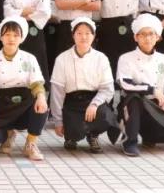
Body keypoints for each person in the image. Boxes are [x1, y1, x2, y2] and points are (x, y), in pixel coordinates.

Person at [0, 16, 48, 161]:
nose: (11, 38)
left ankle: (31, 143)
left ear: (22, 38)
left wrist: (41, 97)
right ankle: (8, 135)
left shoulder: (29, 58)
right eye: (7, 34)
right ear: (1, 37)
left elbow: (37, 84)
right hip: (1, 108)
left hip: (23, 106)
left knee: (41, 105)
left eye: (16, 35)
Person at [115, 14, 164, 157]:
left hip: (155, 105)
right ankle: (129, 142)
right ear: (136, 37)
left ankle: (149, 136)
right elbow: (125, 84)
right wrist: (152, 90)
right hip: (132, 105)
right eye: (143, 34)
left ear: (158, 37)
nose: (147, 38)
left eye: (151, 34)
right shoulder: (126, 58)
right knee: (134, 98)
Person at [49, 17, 118, 153]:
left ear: (94, 36)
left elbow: (108, 89)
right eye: (79, 33)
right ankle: (71, 137)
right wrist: (58, 121)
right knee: (74, 130)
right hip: (71, 101)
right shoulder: (62, 59)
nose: (84, 37)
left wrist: (95, 104)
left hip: (94, 99)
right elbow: (57, 93)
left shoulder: (101, 58)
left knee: (105, 116)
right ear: (73, 35)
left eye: (88, 33)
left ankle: (93, 135)